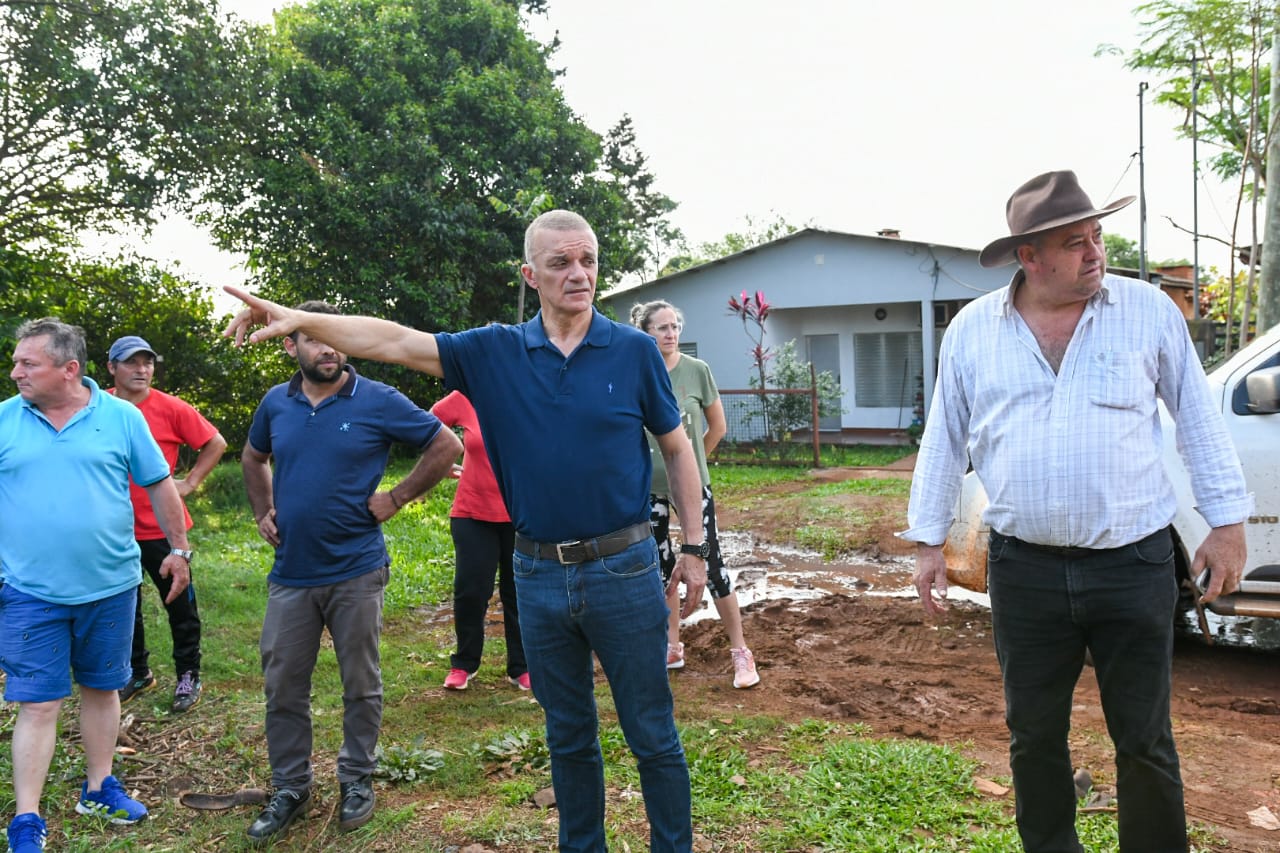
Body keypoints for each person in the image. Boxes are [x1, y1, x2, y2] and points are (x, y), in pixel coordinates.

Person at [223, 209, 709, 853]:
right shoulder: (494, 351)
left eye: (587, 259)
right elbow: (393, 340)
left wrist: (695, 547)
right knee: (567, 734)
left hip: (621, 566)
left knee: (652, 731)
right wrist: (299, 318)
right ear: (530, 274)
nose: (579, 273)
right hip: (536, 573)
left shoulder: (635, 350)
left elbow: (677, 449)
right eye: (561, 262)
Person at [901, 170, 1251, 853]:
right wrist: (927, 541)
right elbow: (942, 434)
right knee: (1033, 735)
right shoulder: (974, 331)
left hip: (1134, 562)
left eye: (1097, 235)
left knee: (1144, 739)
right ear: (1030, 257)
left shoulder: (1148, 312)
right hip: (1024, 571)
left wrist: (1227, 522)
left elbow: (1198, 420)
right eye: (1075, 242)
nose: (1095, 252)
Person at [239, 301, 462, 845]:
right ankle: (290, 786)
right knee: (283, 684)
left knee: (360, 683)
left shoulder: (377, 400)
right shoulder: (277, 403)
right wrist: (262, 511)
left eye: (331, 337)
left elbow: (446, 444)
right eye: (312, 339)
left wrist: (397, 497)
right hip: (292, 573)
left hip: (356, 569)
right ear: (291, 346)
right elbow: (252, 457)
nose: (326, 348)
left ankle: (356, 779)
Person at [2, 318, 193, 853]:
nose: (16, 371)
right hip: (27, 590)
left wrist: (178, 550)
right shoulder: (3, 421)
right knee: (37, 703)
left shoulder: (122, 418)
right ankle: (26, 818)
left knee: (102, 687)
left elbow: (159, 486)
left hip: (109, 585)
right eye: (17, 362)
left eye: (27, 363)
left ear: (69, 370)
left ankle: (99, 787)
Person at [631, 300, 760, 689]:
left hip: (692, 487)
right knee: (660, 564)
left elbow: (717, 427)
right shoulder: (634, 372)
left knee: (711, 562)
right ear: (645, 333)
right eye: (662, 328)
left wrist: (691, 464)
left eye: (675, 327)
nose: (671, 334)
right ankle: (672, 645)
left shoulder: (697, 371)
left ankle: (740, 652)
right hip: (648, 488)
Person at [107, 335, 228, 713]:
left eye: (147, 362)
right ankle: (137, 671)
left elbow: (215, 442)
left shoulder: (172, 408)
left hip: (161, 529)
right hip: (111, 528)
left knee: (178, 602)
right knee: (124, 603)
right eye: (131, 362)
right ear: (112, 368)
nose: (142, 369)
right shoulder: (99, 407)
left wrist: (190, 482)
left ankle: (188, 674)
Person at [431, 390, 529, 692]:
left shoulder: (530, 391)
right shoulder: (467, 397)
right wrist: (441, 459)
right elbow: (426, 421)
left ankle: (521, 667)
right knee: (471, 591)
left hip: (522, 515)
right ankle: (463, 664)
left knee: (520, 593)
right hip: (472, 513)